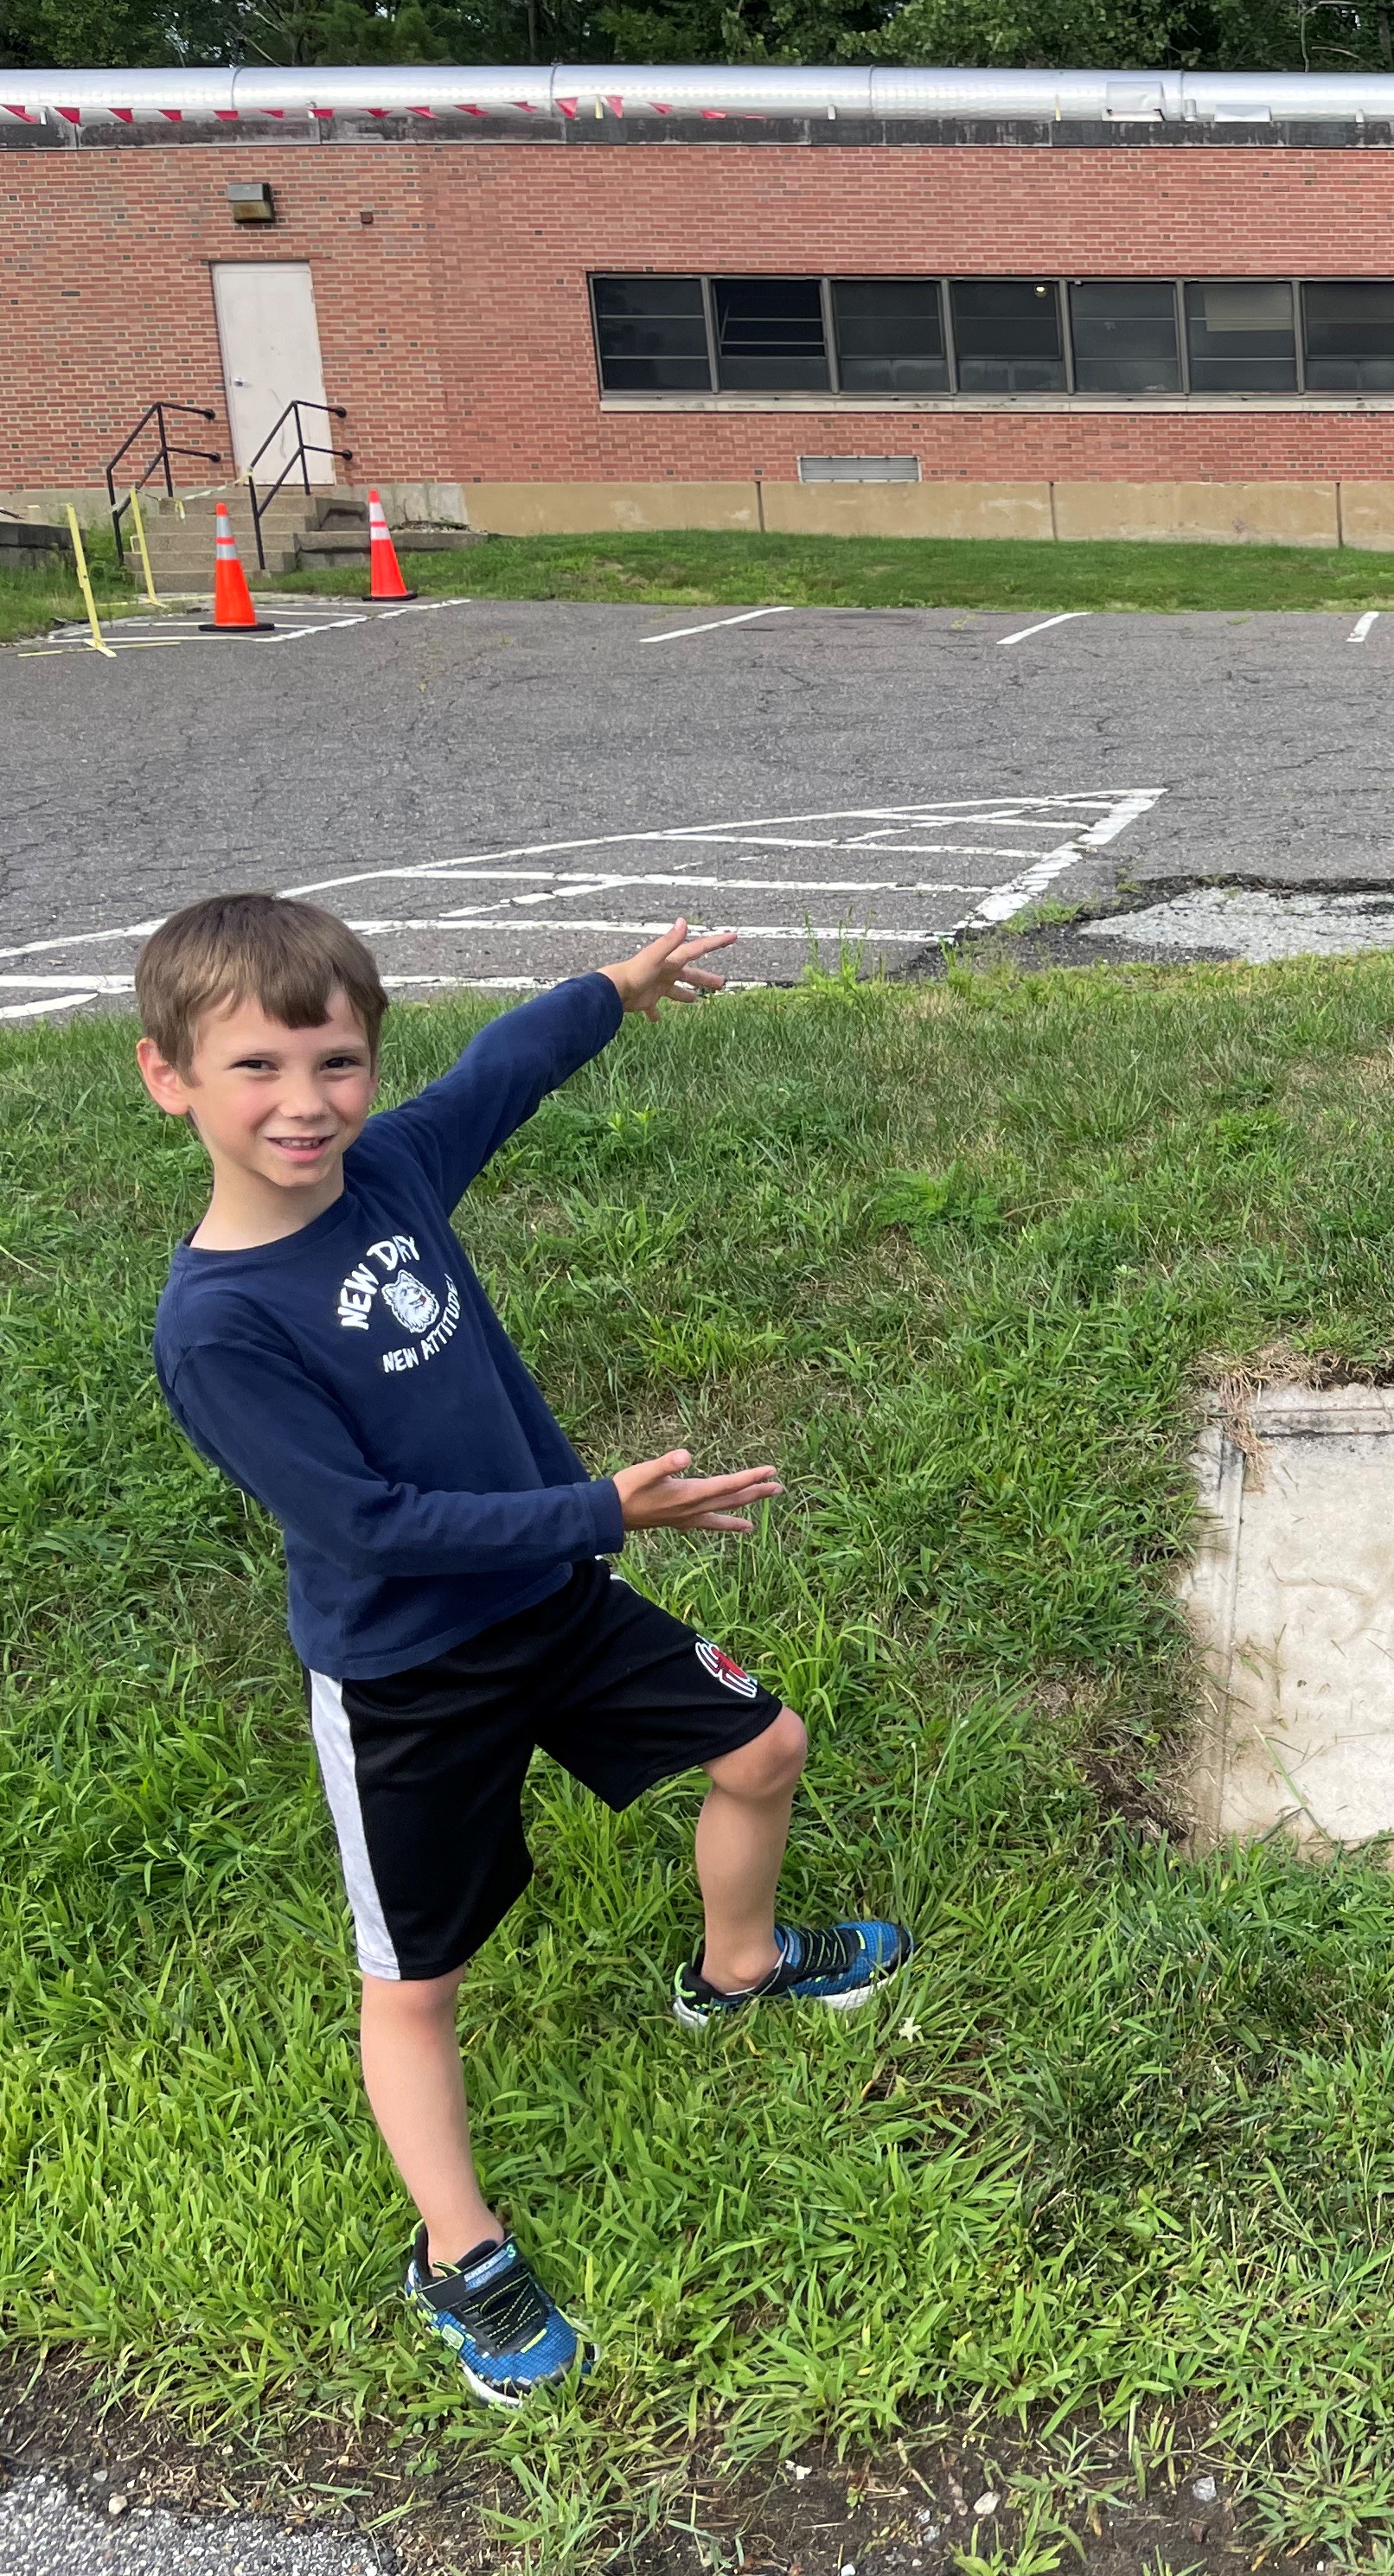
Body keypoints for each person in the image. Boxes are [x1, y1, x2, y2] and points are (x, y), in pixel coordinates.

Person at [136, 898, 910, 2408]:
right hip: (409, 1676)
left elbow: (499, 1072)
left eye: (338, 1061)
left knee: (764, 1746)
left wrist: (615, 987)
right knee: (418, 1980)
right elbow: (368, 1524)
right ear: (170, 1079)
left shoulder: (394, 1173)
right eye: (257, 1070)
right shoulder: (217, 1326)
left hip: (551, 1602)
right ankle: (458, 2253)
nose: (307, 1103)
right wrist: (603, 1507)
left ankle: (739, 1967)